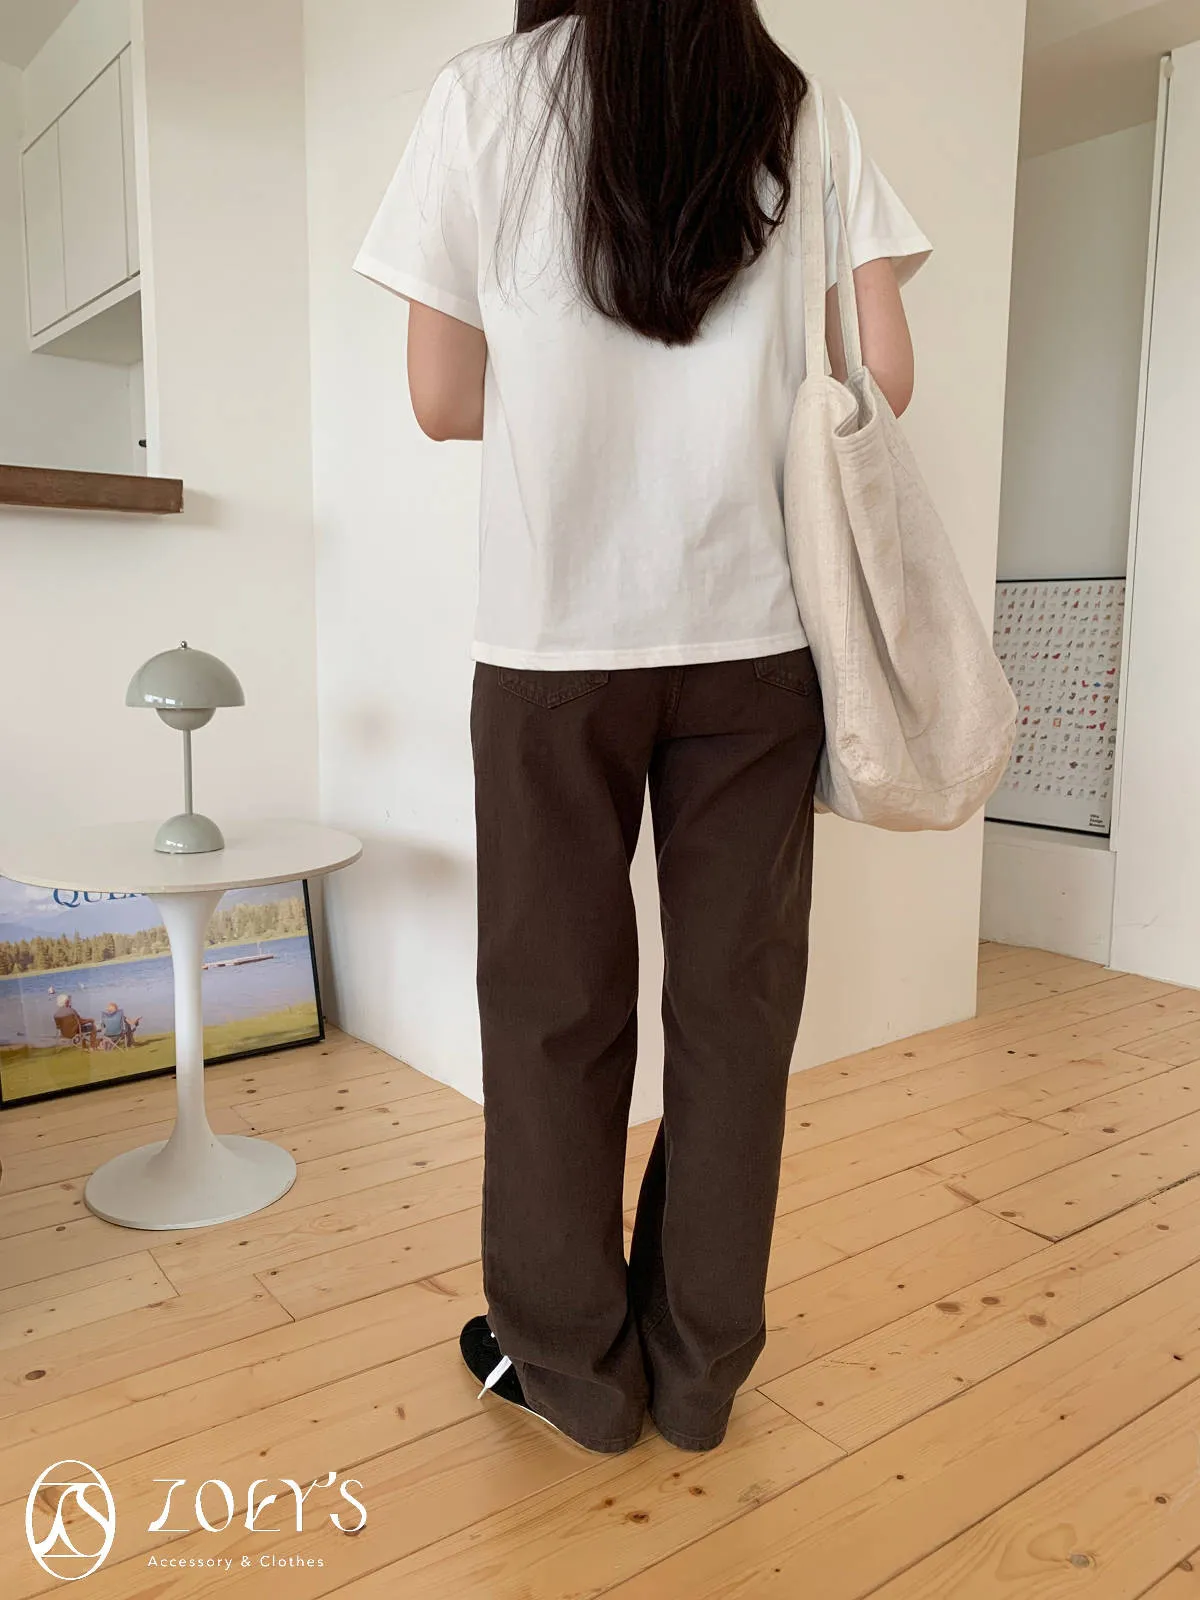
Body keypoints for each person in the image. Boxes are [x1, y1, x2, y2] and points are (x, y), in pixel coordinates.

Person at [356, 0, 930, 1455]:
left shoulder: (485, 97)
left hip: (555, 641)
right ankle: (698, 1372)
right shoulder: (802, 107)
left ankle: (572, 1374)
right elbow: (883, 375)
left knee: (552, 1009)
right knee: (736, 1016)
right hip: (760, 643)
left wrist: (576, 393)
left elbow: (440, 398)